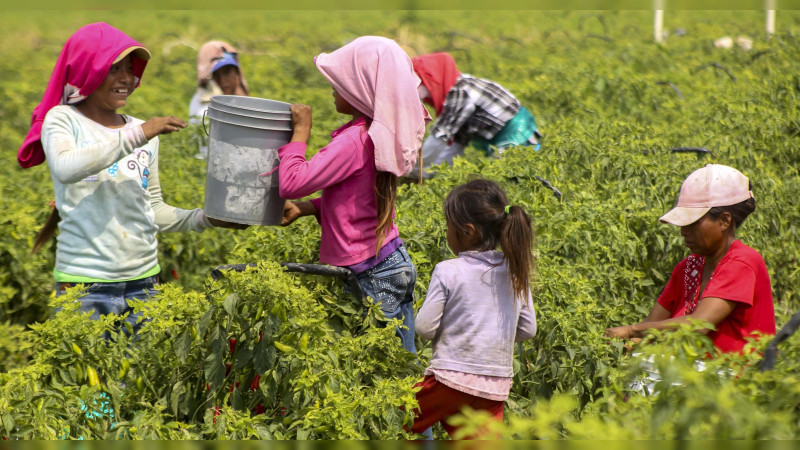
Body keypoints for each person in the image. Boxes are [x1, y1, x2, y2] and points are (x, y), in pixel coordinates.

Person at [17, 22, 244, 335]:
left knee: (137, 383)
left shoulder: (144, 135)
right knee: (91, 384)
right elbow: (66, 168)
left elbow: (152, 211)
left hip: (143, 283)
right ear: (88, 69)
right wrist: (138, 134)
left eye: (130, 68)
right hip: (85, 287)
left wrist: (206, 218)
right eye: (114, 68)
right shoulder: (63, 120)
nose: (126, 78)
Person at [278, 36, 430, 355]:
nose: (333, 86)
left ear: (362, 90)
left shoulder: (354, 142)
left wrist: (300, 134)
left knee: (380, 368)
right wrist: (308, 208)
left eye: (341, 81)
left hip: (373, 273)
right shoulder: (376, 134)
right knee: (400, 367)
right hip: (390, 264)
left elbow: (292, 183)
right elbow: (357, 202)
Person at [410, 179, 537, 439]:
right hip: (495, 387)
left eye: (448, 226)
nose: (447, 232)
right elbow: (528, 329)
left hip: (448, 380)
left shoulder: (448, 270)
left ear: (467, 230)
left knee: (386, 419)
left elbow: (423, 328)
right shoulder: (516, 269)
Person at [605, 164, 775, 354]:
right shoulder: (688, 267)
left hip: (735, 376)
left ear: (724, 221)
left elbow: (699, 325)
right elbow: (651, 326)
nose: (683, 232)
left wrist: (630, 330)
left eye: (692, 223)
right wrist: (617, 349)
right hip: (692, 372)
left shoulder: (742, 262)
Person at [410, 52, 542, 179]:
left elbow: (440, 137)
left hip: (515, 132)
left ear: (432, 79)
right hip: (508, 130)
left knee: (512, 177)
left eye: (418, 82)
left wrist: (414, 170)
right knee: (506, 177)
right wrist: (434, 173)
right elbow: (455, 144)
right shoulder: (457, 89)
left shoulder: (459, 92)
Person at [188, 40, 249, 123]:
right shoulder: (204, 106)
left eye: (227, 72)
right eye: (216, 74)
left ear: (237, 72)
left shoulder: (244, 101)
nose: (222, 80)